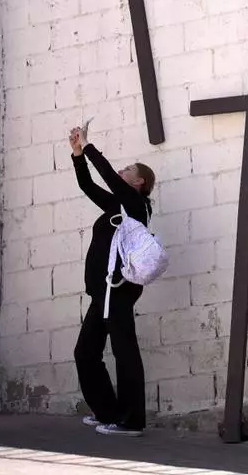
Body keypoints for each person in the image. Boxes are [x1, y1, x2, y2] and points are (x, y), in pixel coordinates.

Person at [68, 125, 156, 438]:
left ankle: (131, 421)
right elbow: (88, 185)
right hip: (103, 292)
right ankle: (109, 411)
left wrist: (90, 147)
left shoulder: (135, 206)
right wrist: (78, 154)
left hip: (118, 290)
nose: (122, 170)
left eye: (128, 170)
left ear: (140, 182)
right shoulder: (118, 206)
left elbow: (106, 174)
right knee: (86, 353)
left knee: (125, 351)